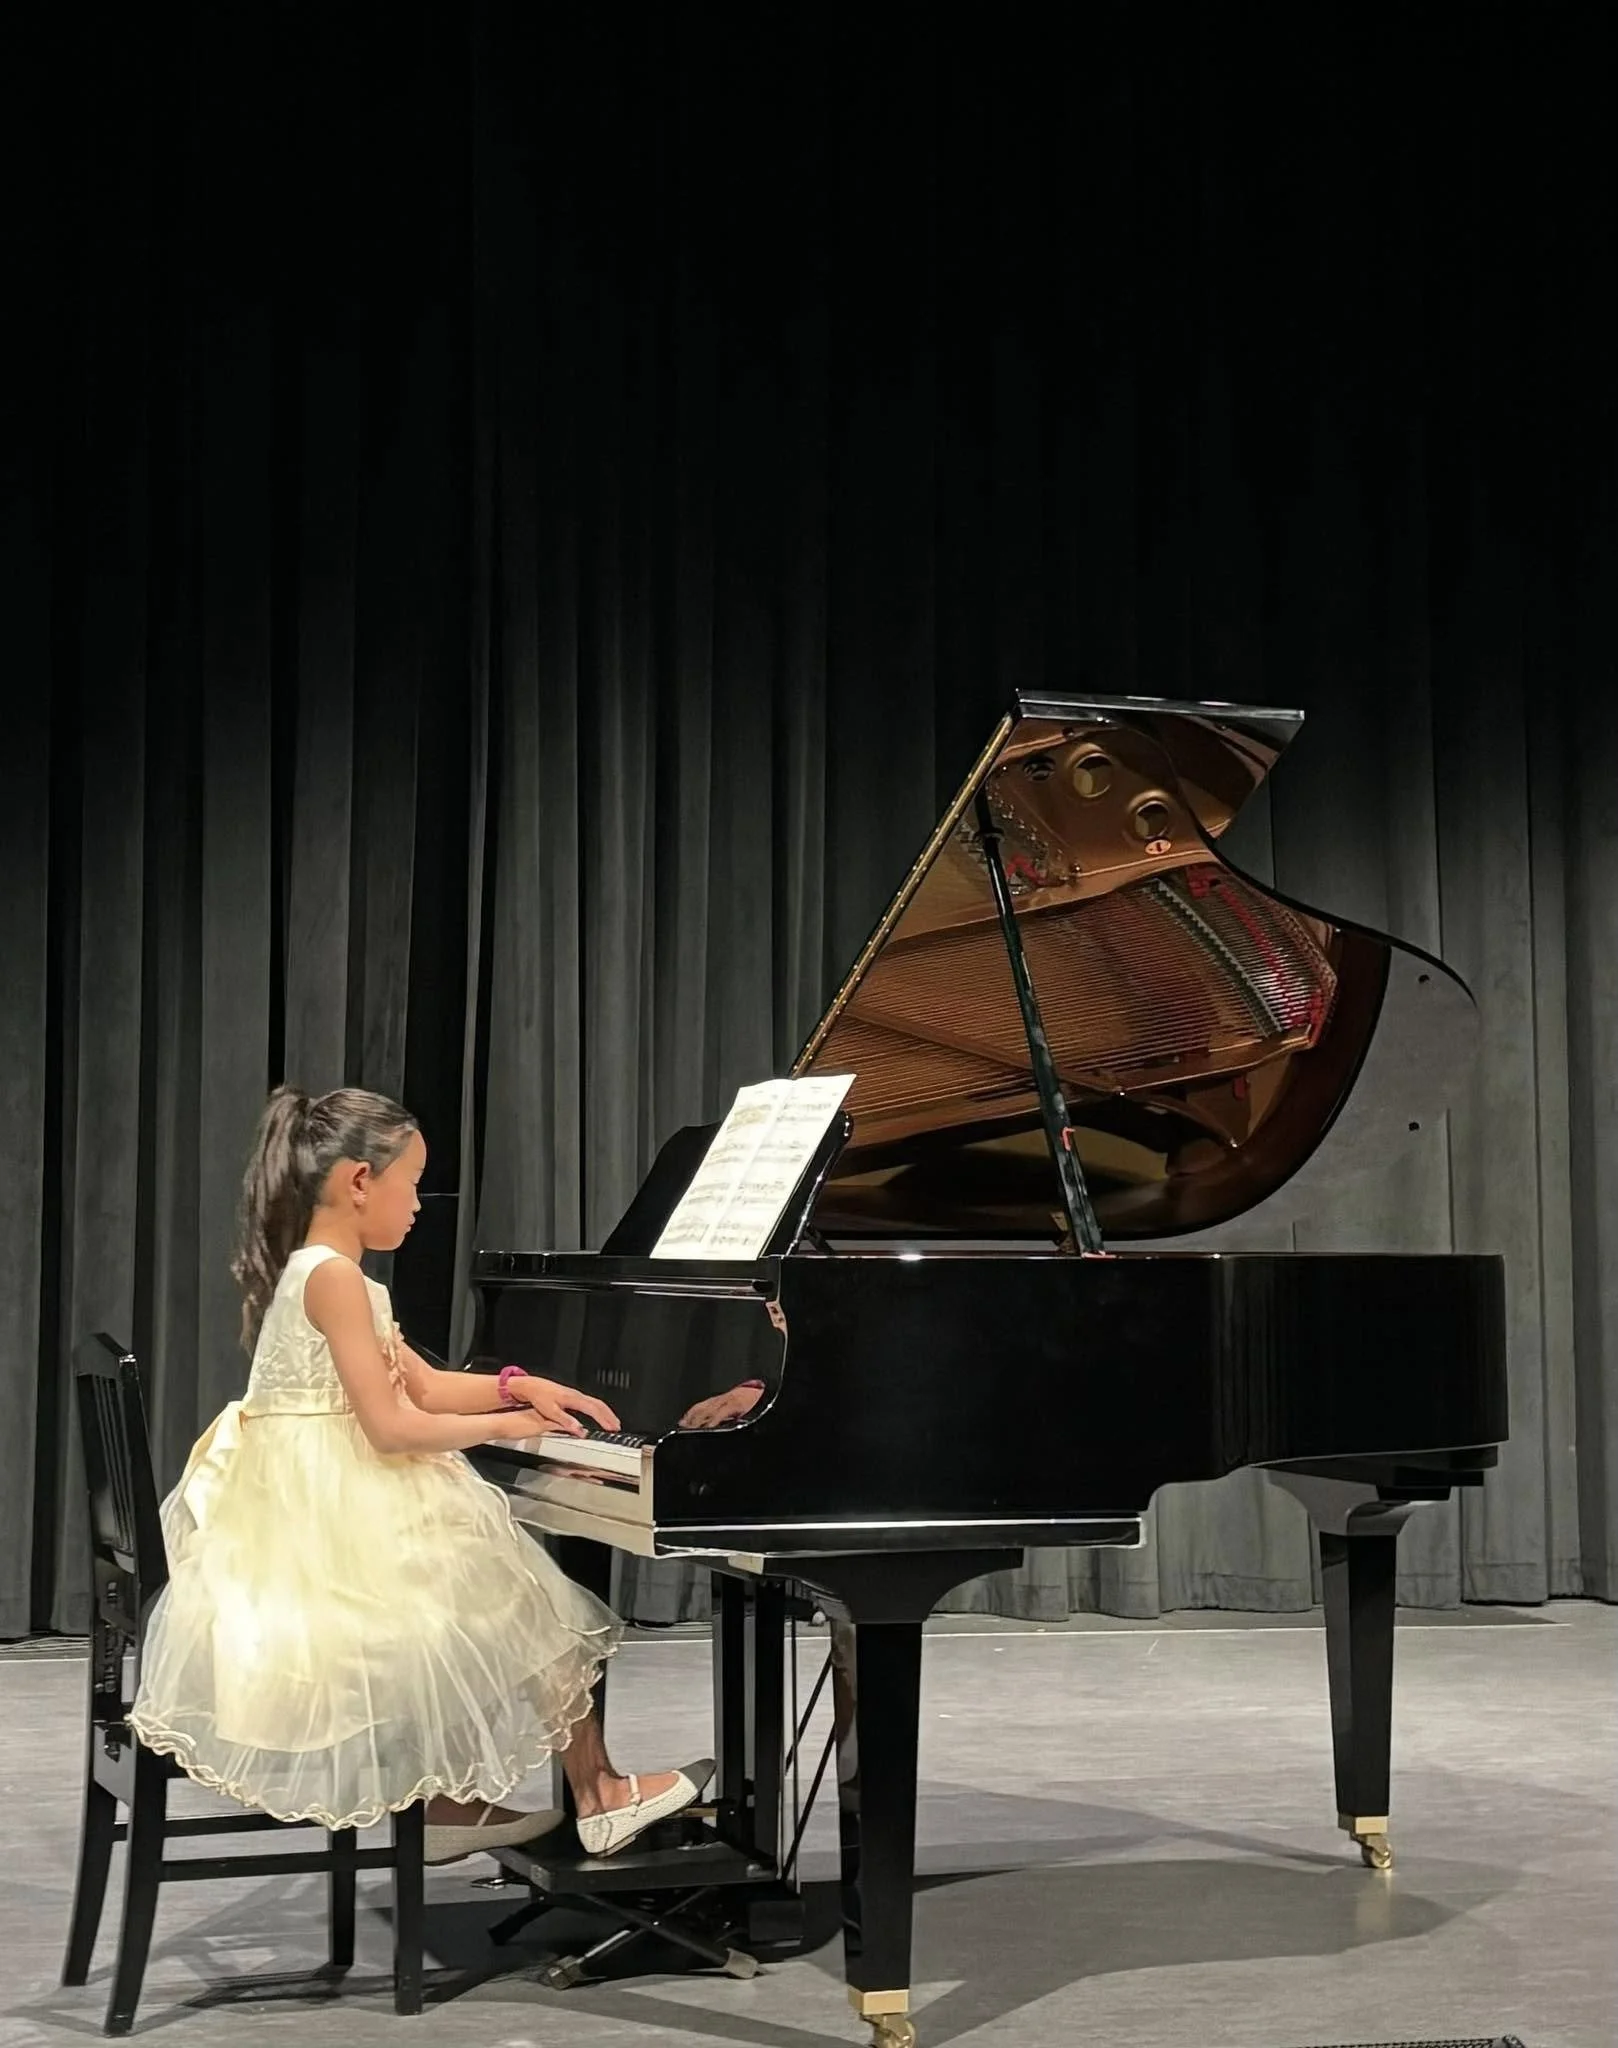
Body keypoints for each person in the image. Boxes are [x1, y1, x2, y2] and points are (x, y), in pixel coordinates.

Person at [129, 1085, 708, 1865]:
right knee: (518, 1603)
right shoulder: (332, 1279)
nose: (420, 1205)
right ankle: (582, 1795)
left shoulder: (332, 1273)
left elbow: (428, 1387)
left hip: (320, 1503)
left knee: (513, 1600)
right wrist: (508, 1426)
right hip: (316, 1537)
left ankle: (474, 1801)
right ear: (359, 1181)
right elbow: (392, 1424)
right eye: (412, 1183)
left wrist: (518, 1385)